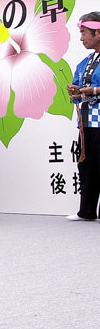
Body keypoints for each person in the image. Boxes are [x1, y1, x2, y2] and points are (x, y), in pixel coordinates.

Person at [66, 12, 100, 221]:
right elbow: (80, 88)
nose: (81, 38)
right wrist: (76, 92)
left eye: (84, 32)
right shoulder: (86, 61)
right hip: (87, 121)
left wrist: (93, 91)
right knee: (86, 166)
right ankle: (86, 211)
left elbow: (93, 90)